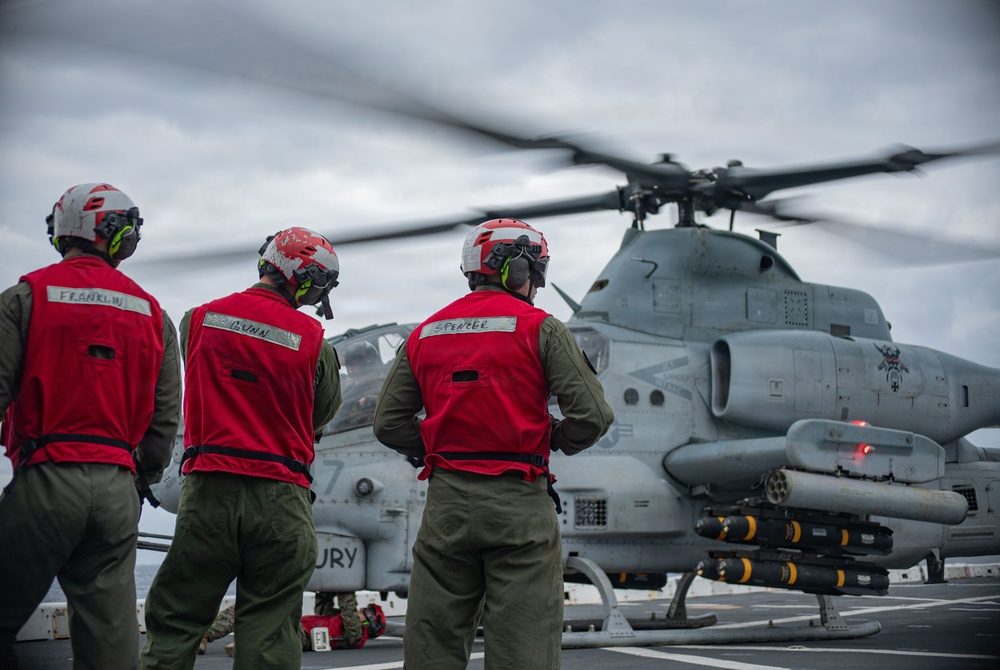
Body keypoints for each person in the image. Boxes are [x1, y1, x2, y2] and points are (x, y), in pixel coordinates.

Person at [373, 218, 614, 670]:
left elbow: (388, 423)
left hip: (445, 505)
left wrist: (435, 444)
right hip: (518, 503)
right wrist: (555, 437)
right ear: (517, 270)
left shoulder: (424, 333)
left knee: (432, 641)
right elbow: (594, 417)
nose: (537, 286)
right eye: (536, 273)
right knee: (524, 645)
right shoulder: (542, 328)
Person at [139, 227, 343, 670]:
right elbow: (321, 415)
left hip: (208, 491)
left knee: (176, 620)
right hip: (281, 498)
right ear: (306, 279)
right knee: (270, 633)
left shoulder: (198, 319)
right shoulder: (314, 342)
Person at [0, 183, 181, 670]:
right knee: (110, 645)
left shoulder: (24, 298)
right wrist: (141, 474)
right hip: (119, 490)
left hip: (46, 478)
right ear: (117, 236)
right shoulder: (153, 314)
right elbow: (165, 418)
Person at [199, 593, 386, 655]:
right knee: (248, 608)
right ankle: (206, 636)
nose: (362, 611)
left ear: (372, 624)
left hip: (301, 636)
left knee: (270, 619)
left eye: (368, 612)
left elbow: (348, 608)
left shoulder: (357, 636)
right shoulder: (344, 622)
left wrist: (346, 583)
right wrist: (328, 590)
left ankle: (245, 647)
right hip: (299, 628)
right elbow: (323, 607)